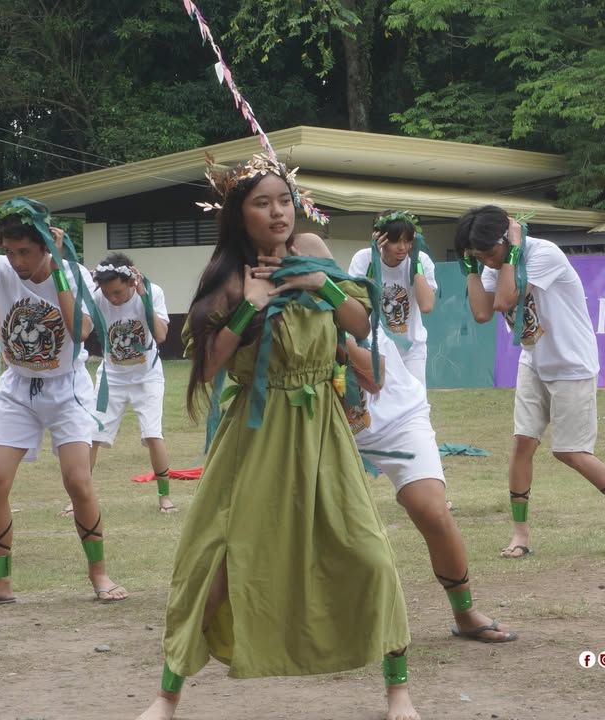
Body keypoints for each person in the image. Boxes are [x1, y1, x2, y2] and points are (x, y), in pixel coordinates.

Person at [135, 155, 417, 720]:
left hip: (322, 430)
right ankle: (166, 698)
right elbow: (206, 369)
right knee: (217, 564)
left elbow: (361, 323)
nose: (277, 212)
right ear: (240, 215)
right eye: (262, 203)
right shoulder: (228, 278)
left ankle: (399, 692)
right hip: (256, 435)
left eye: (284, 200)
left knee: (369, 554)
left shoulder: (311, 250)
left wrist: (320, 284)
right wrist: (249, 309)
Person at [0, 198, 127, 607]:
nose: (17, 261)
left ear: (46, 244)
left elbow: (79, 330)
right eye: (10, 251)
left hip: (67, 387)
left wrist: (59, 269)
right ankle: (1, 582)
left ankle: (99, 573)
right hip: (17, 386)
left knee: (77, 481)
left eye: (25, 251)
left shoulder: (73, 273)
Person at [457, 205, 605, 557]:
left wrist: (513, 253)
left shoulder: (543, 254)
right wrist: (472, 269)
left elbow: (505, 299)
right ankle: (520, 536)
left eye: (490, 253)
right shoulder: (493, 263)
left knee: (570, 451)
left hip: (571, 365)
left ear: (507, 239)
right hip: (534, 362)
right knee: (522, 443)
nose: (488, 262)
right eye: (479, 256)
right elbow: (481, 312)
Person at [338, 328, 517, 643]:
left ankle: (465, 613)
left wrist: (334, 336)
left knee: (432, 511)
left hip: (398, 418)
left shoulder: (340, 303)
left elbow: (375, 376)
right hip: (325, 427)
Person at [63, 252, 175, 515]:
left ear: (131, 281)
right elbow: (82, 330)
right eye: (107, 292)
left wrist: (143, 296)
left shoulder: (152, 292)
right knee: (92, 436)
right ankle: (78, 499)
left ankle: (165, 497)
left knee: (153, 434)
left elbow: (160, 335)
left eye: (118, 292)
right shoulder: (97, 296)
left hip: (147, 376)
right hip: (111, 378)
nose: (112, 298)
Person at [348, 210, 436, 389]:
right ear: (380, 238)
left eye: (407, 240)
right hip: (376, 347)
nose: (402, 247)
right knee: (378, 400)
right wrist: (374, 259)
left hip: (412, 349)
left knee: (415, 398)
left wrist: (416, 261)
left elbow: (427, 306)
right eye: (396, 240)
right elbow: (360, 305)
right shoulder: (363, 259)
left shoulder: (421, 260)